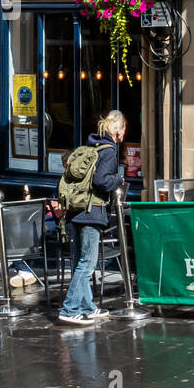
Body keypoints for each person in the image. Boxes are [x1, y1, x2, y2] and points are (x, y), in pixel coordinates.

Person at [57, 110, 125, 327]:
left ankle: (87, 307)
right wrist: (118, 179)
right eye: (124, 129)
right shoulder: (109, 151)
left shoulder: (90, 146)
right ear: (118, 131)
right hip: (91, 212)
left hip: (75, 211)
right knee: (87, 263)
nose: (124, 134)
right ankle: (69, 309)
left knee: (80, 261)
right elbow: (101, 181)